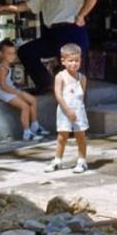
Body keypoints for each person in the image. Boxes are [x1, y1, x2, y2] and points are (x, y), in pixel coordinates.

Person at [0, 0, 99, 94]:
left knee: (72, 80)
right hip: (52, 34)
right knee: (26, 52)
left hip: (70, 32)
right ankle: (46, 85)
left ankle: (75, 108)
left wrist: (81, 15)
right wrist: (4, 7)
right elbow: (27, 6)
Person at [0, 39, 49, 140]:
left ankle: (35, 126)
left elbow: (8, 83)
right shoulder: (2, 68)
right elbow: (3, 86)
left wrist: (17, 88)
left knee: (33, 100)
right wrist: (17, 93)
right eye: (9, 53)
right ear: (1, 54)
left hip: (10, 89)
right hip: (3, 92)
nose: (12, 56)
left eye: (13, 53)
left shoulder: (7, 66)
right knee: (25, 107)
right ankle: (27, 133)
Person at [45, 43, 89, 174]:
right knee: (62, 136)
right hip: (65, 111)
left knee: (80, 136)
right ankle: (57, 160)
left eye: (77, 61)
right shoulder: (60, 77)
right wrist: (68, 110)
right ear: (63, 61)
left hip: (78, 110)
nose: (74, 64)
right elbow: (58, 95)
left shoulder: (82, 78)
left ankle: (82, 160)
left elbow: (82, 95)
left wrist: (77, 110)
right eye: (70, 61)